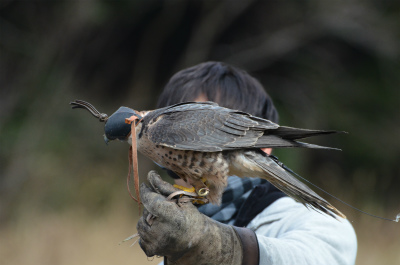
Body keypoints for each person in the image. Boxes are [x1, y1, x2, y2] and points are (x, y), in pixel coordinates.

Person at [136, 62, 357, 265]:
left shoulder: (312, 224)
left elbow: (323, 256)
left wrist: (225, 247)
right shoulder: (173, 241)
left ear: (263, 145)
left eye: (195, 134)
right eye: (172, 136)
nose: (182, 146)